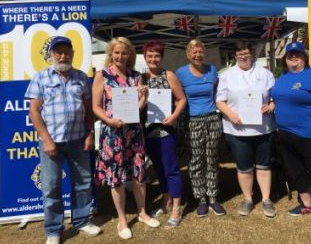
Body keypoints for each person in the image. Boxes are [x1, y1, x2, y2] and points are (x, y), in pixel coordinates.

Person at [26, 36, 101, 244]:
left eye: (66, 51)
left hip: (78, 140)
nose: (62, 55)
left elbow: (87, 110)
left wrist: (89, 134)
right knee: (51, 187)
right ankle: (53, 230)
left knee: (83, 183)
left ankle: (82, 220)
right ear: (50, 55)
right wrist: (47, 140)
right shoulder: (41, 77)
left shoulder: (81, 77)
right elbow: (34, 111)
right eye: (57, 51)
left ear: (73, 54)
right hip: (51, 142)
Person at [92, 37, 159, 240]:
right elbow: (95, 106)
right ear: (111, 54)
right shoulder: (102, 75)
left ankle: (142, 212)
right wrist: (109, 121)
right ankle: (122, 219)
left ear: (130, 54)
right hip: (113, 134)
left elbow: (138, 108)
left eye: (124, 52)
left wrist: (144, 97)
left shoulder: (136, 76)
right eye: (117, 52)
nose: (121, 56)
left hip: (134, 132)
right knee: (117, 176)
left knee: (139, 174)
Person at [270, 41, 311, 229]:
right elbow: (279, 98)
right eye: (290, 55)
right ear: (285, 59)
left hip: (309, 135)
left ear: (304, 57)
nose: (293, 57)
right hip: (285, 134)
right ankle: (307, 205)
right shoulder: (282, 77)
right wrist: (272, 105)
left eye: (297, 54)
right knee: (295, 171)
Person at [216, 41, 276, 217]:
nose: (243, 56)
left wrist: (272, 106)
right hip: (237, 129)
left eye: (246, 53)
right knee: (244, 167)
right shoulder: (226, 76)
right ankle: (248, 199)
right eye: (239, 53)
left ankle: (266, 199)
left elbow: (276, 96)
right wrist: (231, 115)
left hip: (263, 128)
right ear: (235, 56)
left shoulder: (265, 74)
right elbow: (220, 100)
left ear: (252, 54)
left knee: (264, 165)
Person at [176, 39, 226, 217]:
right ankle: (201, 199)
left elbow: (219, 95)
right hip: (193, 121)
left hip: (212, 118)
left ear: (204, 53)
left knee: (212, 158)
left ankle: (213, 197)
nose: (197, 55)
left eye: (200, 52)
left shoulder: (212, 70)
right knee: (196, 160)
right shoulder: (181, 73)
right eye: (193, 52)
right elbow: (177, 97)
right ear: (188, 54)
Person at [142, 40, 186, 228]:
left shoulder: (169, 75)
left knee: (171, 169)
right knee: (158, 169)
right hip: (146, 131)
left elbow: (182, 99)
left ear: (162, 57)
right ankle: (165, 200)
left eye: (157, 55)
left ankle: (176, 208)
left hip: (166, 129)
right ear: (144, 57)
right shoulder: (140, 78)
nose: (153, 59)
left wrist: (174, 116)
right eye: (150, 55)